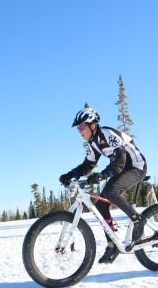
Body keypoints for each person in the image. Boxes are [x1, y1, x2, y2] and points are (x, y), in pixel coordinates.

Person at [59, 107, 147, 264]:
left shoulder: (108, 134)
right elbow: (88, 165)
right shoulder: (92, 143)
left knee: (110, 192)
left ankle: (137, 220)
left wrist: (103, 175)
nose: (80, 131)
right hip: (122, 169)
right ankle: (112, 244)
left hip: (136, 167)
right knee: (100, 203)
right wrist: (71, 174)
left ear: (93, 125)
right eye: (78, 128)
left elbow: (120, 161)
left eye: (82, 127)